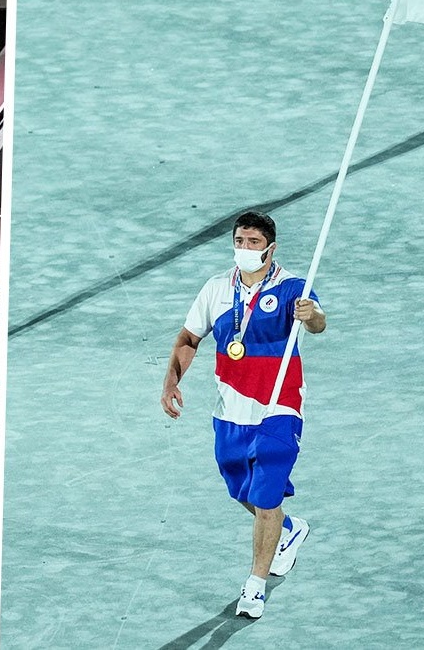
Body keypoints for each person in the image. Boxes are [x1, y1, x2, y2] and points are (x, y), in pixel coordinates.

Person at [160, 210, 326, 620]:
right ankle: (289, 529)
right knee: (242, 490)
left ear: (271, 247)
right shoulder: (217, 289)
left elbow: (318, 323)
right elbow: (188, 338)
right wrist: (170, 382)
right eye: (240, 241)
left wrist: (313, 316)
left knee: (266, 496)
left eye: (253, 243)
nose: (245, 249)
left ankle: (254, 586)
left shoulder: (292, 289)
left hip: (278, 406)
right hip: (231, 408)